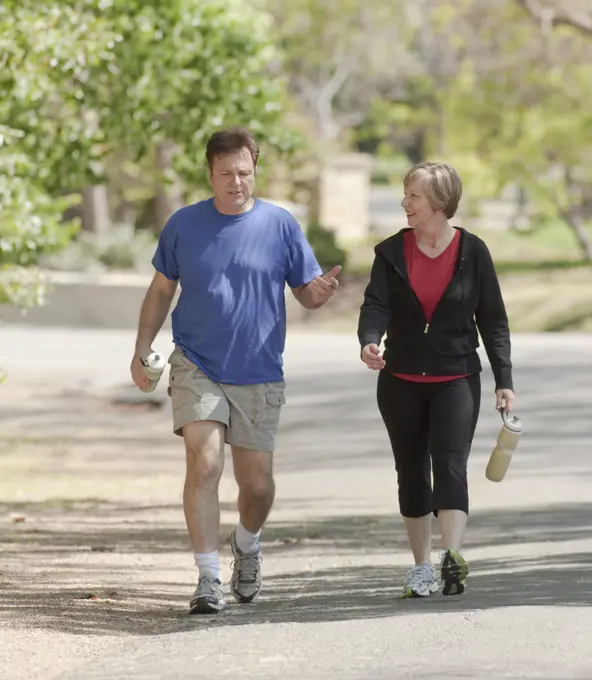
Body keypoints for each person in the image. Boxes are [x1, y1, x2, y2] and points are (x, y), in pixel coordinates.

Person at [130, 126, 341, 615]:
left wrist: (320, 293)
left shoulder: (280, 225)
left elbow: (306, 292)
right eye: (225, 173)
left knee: (258, 485)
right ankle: (207, 578)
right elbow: (161, 289)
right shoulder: (184, 224)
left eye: (244, 172)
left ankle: (246, 544)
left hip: (259, 370)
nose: (236, 182)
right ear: (209, 174)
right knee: (203, 463)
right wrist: (142, 346)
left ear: (255, 171)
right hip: (197, 363)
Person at [357, 161, 515, 599]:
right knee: (411, 469)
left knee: (450, 464)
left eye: (414, 196)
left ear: (440, 203)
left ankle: (452, 558)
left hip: (456, 377)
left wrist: (505, 377)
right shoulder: (390, 252)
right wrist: (369, 341)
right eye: (405, 195)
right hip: (400, 379)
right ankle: (421, 566)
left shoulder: (473, 251)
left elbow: (493, 319)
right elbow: (375, 305)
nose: (404, 203)